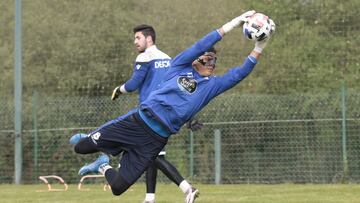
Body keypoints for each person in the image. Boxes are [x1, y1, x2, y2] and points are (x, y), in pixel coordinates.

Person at [72, 10, 273, 203]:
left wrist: (260, 46)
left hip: (155, 140)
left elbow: (240, 73)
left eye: (214, 60)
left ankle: (102, 165)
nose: (212, 63)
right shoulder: (178, 66)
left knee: (118, 188)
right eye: (207, 58)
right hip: (137, 123)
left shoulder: (212, 86)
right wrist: (233, 24)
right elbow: (202, 44)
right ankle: (94, 140)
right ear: (195, 60)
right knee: (81, 148)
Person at [70, 24, 199, 203]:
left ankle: (180, 190)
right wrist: (189, 117)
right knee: (152, 156)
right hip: (164, 118)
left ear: (149, 38)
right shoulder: (169, 59)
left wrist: (118, 90)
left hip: (145, 118)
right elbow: (181, 90)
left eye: (138, 38)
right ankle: (154, 196)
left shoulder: (145, 57)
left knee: (152, 156)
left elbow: (133, 84)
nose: (135, 42)